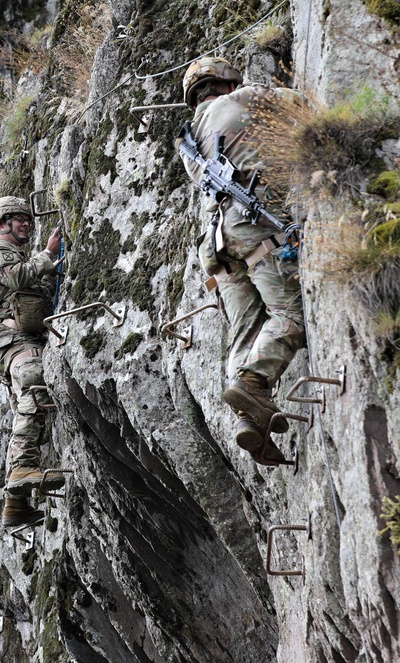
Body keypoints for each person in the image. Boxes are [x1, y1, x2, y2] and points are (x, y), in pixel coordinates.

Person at [177, 57, 307, 465]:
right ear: (230, 82)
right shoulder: (247, 98)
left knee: (245, 330)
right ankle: (254, 383)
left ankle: (246, 419)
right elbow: (305, 106)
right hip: (254, 226)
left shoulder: (189, 140)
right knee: (290, 310)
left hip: (220, 245)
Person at [0, 196, 66, 527]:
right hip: (13, 343)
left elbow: (33, 291)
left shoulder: (16, 254)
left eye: (28, 218)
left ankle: (15, 505)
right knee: (33, 389)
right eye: (18, 219)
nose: (26, 223)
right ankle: (21, 469)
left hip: (22, 339)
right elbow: (15, 278)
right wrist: (48, 254)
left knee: (27, 408)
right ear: (1, 224)